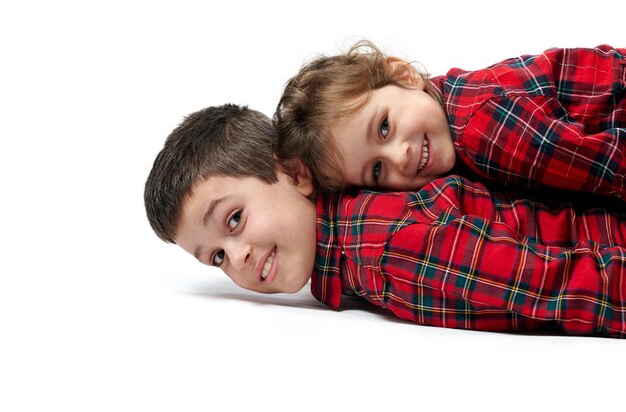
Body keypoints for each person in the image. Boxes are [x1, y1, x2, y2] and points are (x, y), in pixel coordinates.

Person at [145, 103, 626, 337]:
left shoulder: (380, 246)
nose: (239, 257)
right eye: (216, 258)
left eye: (233, 221)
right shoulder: (353, 249)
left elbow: (562, 284)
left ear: (294, 171)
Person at [274, 41, 626, 198]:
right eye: (377, 171)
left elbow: (612, 167)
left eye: (384, 127)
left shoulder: (483, 128)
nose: (399, 157)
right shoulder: (442, 100)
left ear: (403, 74)